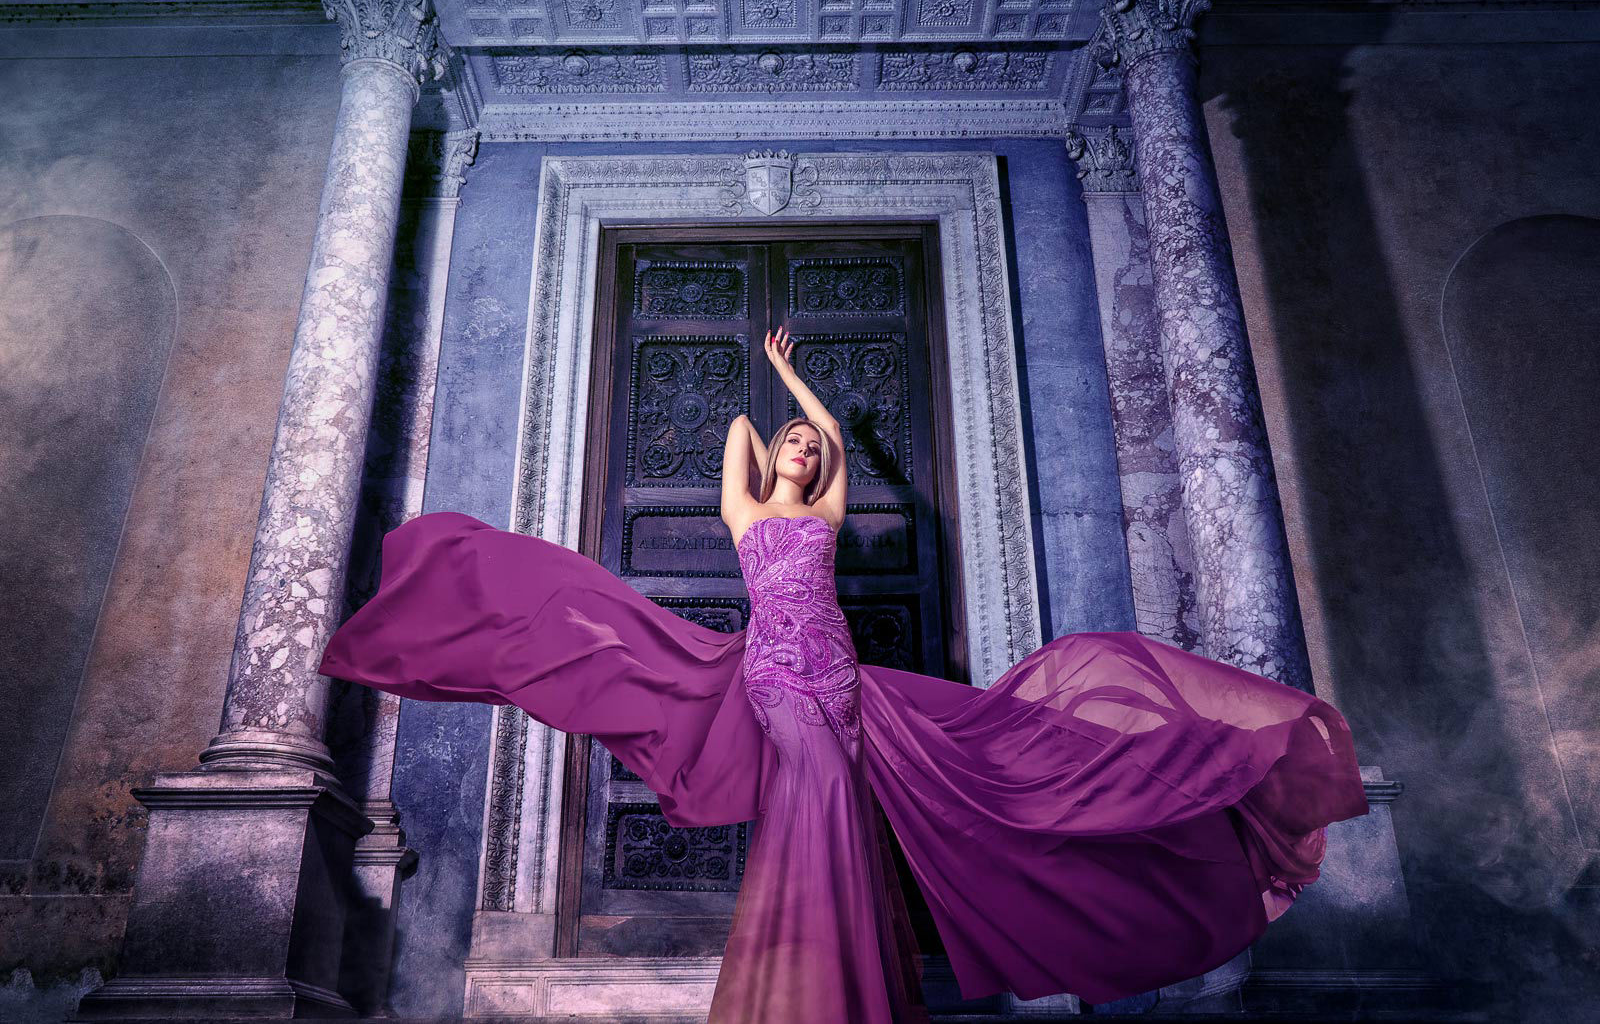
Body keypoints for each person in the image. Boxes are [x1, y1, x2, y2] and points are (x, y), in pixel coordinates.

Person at [318, 326, 1368, 1022]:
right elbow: (739, 436)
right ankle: (808, 997)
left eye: (812, 457)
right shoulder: (749, 510)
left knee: (917, 795)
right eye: (793, 451)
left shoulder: (820, 508)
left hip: (846, 679)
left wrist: (801, 393)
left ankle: (838, 994)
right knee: (812, 812)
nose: (806, 459)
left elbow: (826, 436)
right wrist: (759, 399)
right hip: (776, 678)